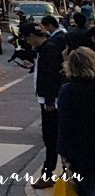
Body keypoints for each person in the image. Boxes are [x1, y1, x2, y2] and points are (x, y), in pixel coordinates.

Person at [26, 24, 66, 188]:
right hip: (47, 99)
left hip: (50, 102)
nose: (28, 42)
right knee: (52, 138)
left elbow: (51, 76)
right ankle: (53, 172)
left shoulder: (48, 50)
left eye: (27, 38)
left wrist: (49, 100)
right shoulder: (45, 49)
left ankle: (48, 174)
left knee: (52, 138)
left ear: (32, 36)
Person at [59, 47, 95, 195]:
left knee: (84, 187)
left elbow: (65, 124)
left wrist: (63, 152)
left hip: (79, 148)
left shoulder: (68, 90)